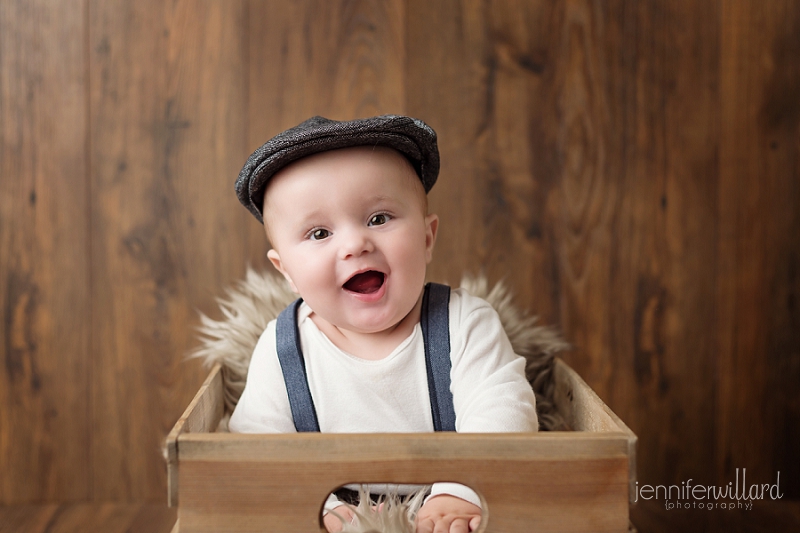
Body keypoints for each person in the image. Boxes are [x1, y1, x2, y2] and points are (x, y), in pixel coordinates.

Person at [230, 115, 538, 533]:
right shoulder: (283, 349)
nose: (356, 244)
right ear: (286, 272)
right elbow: (257, 446)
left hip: (451, 512)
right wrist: (320, 509)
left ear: (427, 239)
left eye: (379, 218)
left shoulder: (464, 323)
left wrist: (458, 492)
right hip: (327, 512)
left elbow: (501, 409)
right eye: (319, 233)